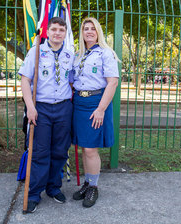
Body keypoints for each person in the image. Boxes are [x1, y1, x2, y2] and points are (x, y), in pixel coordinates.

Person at [18, 17, 74, 213]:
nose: (57, 33)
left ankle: (53, 187)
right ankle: (34, 193)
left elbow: (73, 82)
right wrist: (30, 107)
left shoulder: (70, 55)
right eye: (54, 29)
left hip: (63, 109)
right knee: (40, 152)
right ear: (47, 32)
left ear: (65, 33)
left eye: (61, 30)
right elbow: (25, 81)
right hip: (40, 108)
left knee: (59, 151)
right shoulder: (36, 52)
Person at [71, 17, 119, 208]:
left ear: (98, 32)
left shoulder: (105, 53)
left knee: (91, 149)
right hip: (79, 103)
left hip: (96, 103)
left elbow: (112, 82)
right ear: (81, 33)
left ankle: (94, 187)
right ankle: (87, 182)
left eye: (93, 28)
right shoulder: (78, 55)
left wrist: (101, 109)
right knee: (84, 146)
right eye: (85, 29)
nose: (89, 31)